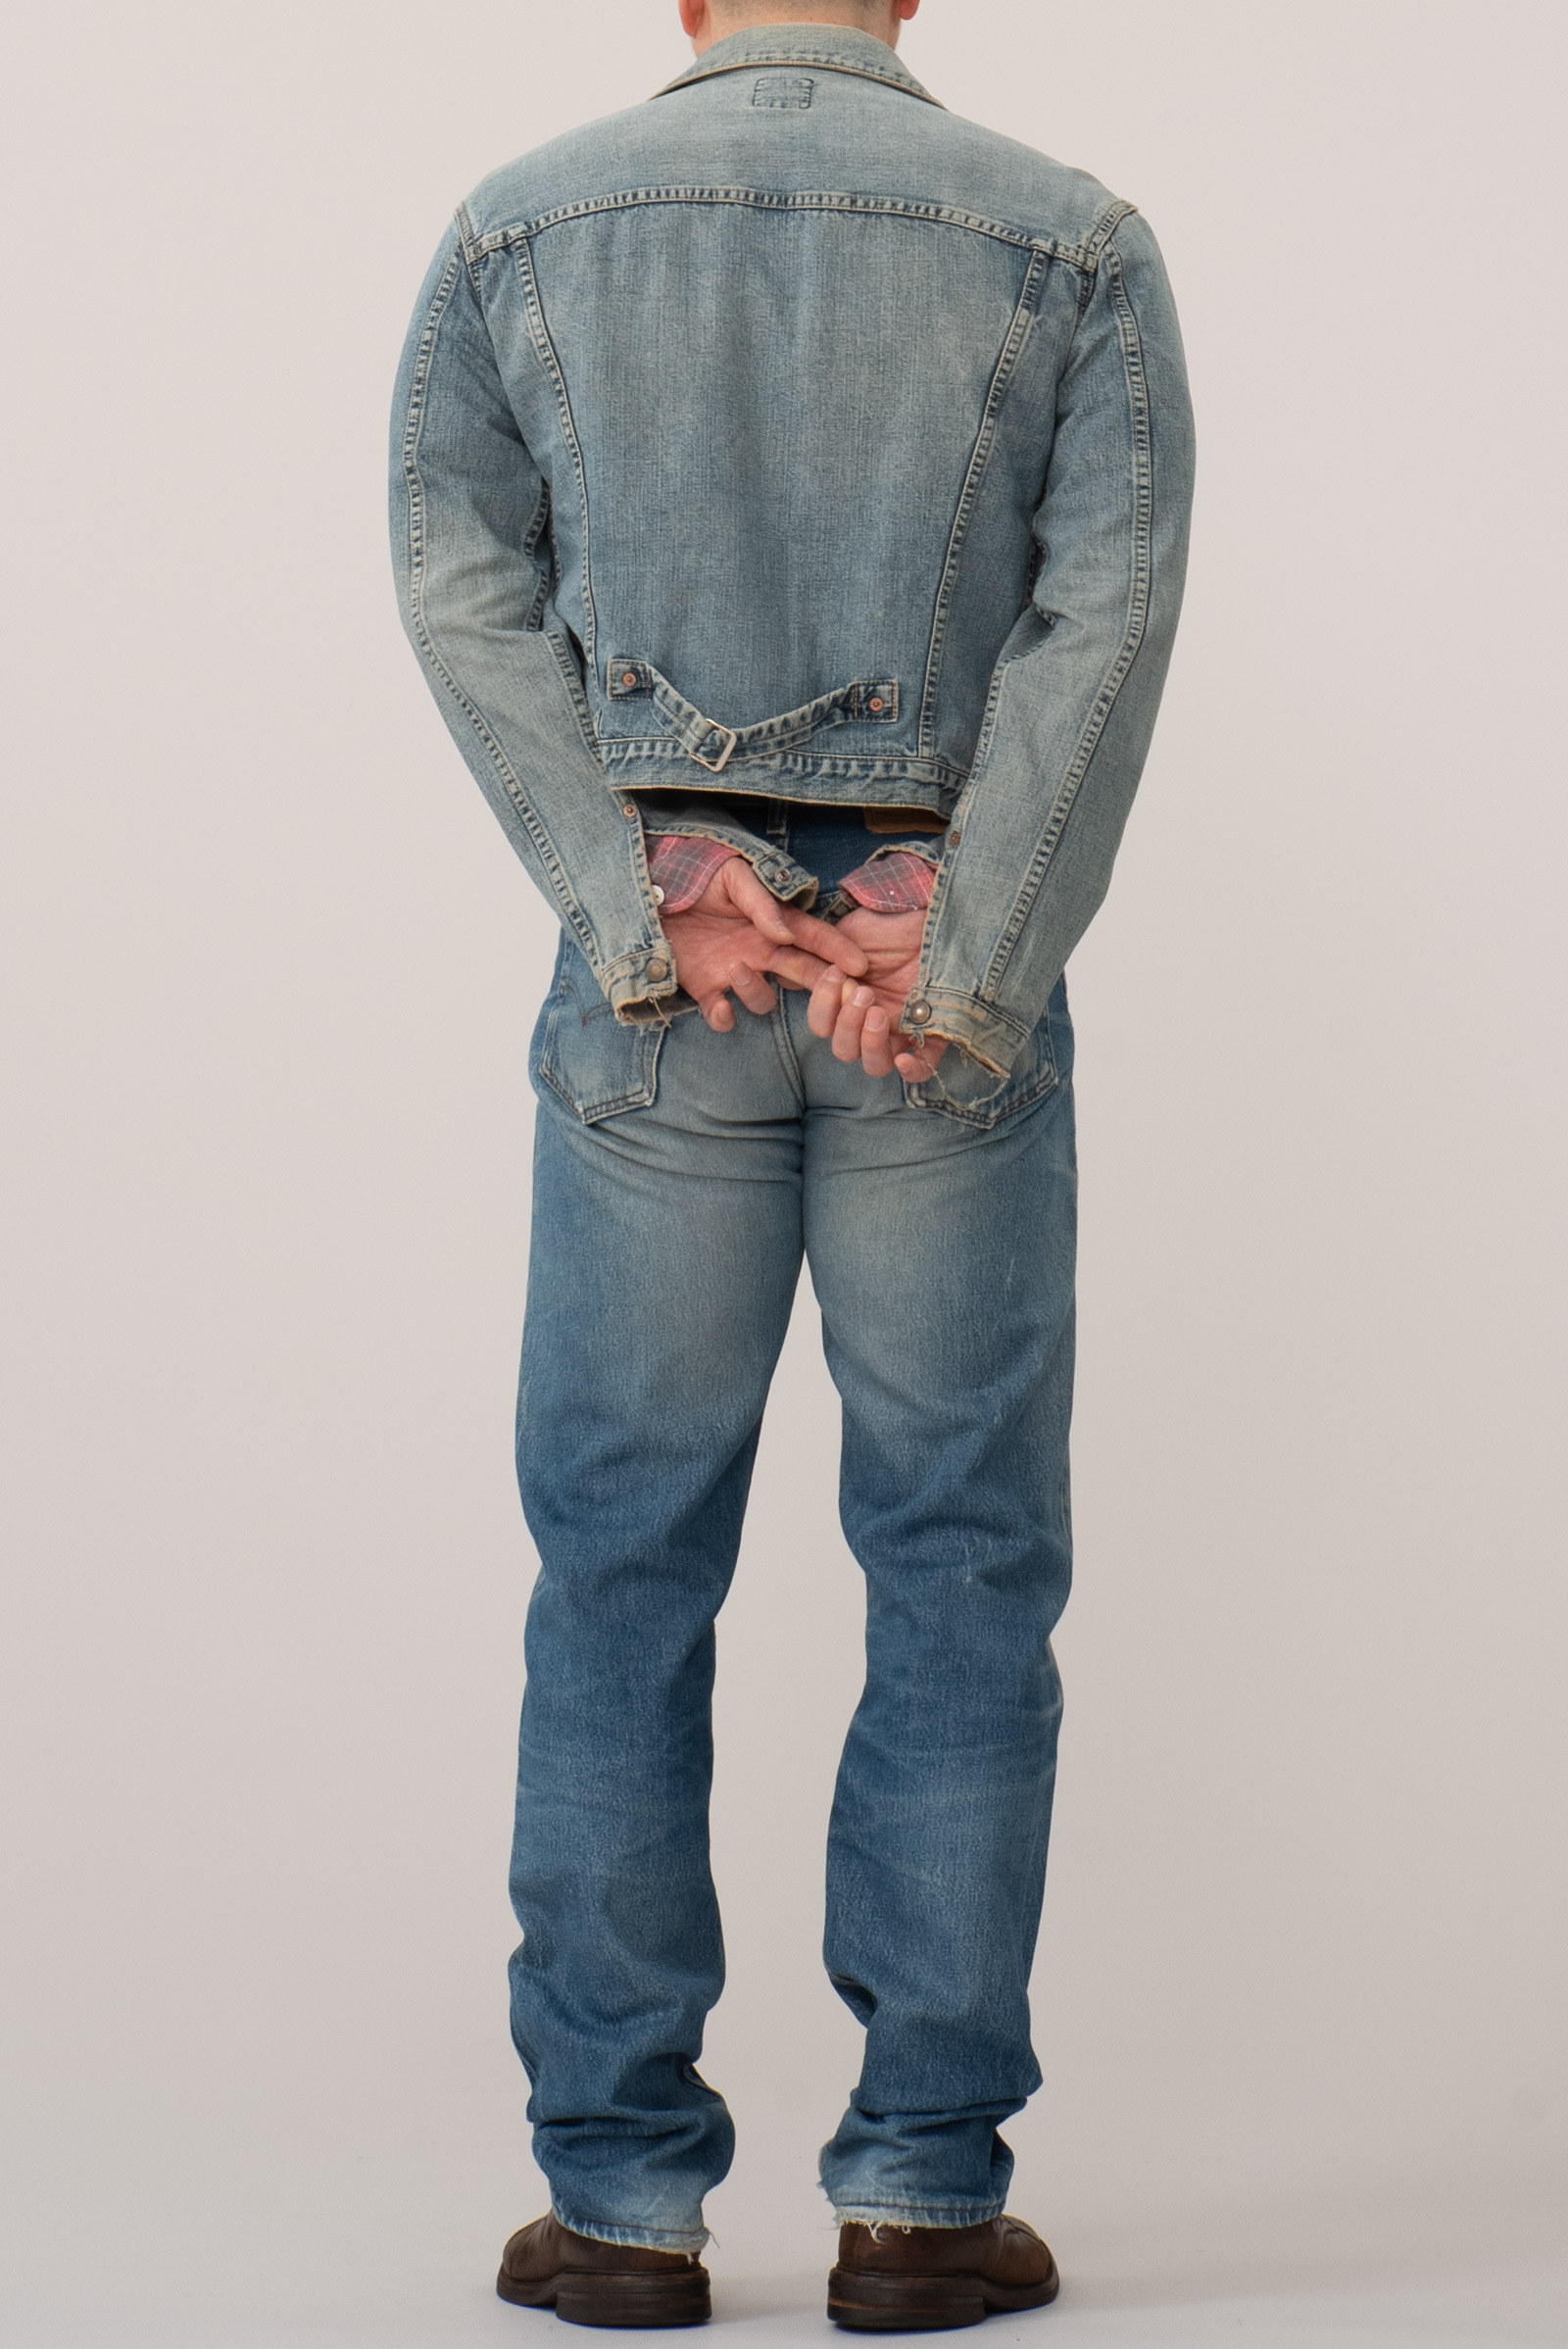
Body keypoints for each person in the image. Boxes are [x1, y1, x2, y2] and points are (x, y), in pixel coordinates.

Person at [390, 0, 1193, 2327]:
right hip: (921, 978)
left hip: (676, 983)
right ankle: (920, 2194)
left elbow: (456, 577)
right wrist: (969, 930)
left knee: (618, 1568)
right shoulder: (1072, 241)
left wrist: (637, 881)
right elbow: (1105, 614)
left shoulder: (517, 227)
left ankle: (615, 2206)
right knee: (958, 1565)